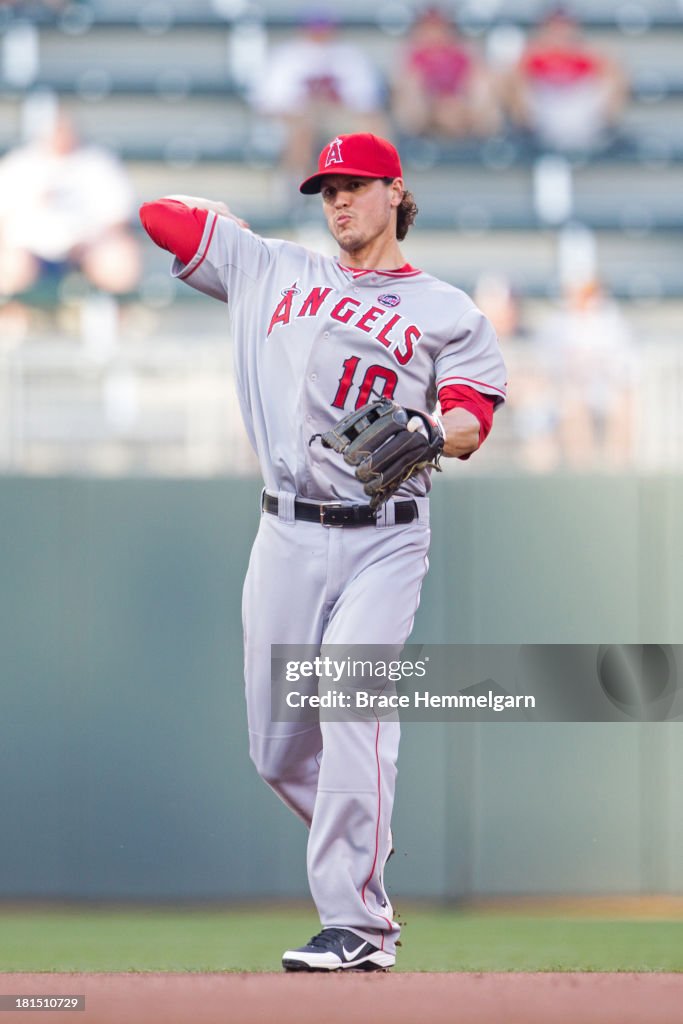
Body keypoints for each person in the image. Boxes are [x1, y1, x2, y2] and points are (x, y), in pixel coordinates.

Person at [139, 132, 506, 971]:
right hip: (283, 534)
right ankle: (363, 837)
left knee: (351, 707)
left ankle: (357, 923)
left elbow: (471, 422)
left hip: (383, 537)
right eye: (326, 188)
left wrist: (428, 433)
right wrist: (220, 217)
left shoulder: (447, 310)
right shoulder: (273, 267)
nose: (338, 200)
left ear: (395, 192)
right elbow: (158, 218)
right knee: (275, 750)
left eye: (355, 184)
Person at [0, 106, 141, 301]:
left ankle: (120, 313)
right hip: (30, 251)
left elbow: (119, 218)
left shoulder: (98, 164)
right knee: (8, 264)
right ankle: (14, 314)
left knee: (119, 259)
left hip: (86, 249)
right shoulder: (18, 165)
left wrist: (88, 241)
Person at [250, 12, 387, 189]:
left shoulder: (348, 55)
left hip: (337, 116)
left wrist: (330, 106)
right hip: (298, 117)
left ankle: (377, 185)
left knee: (374, 125)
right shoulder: (287, 55)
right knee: (302, 127)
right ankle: (296, 188)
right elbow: (268, 101)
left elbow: (366, 101)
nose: (320, 34)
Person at [504, 5, 628, 152]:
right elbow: (513, 78)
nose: (560, 30)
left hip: (580, 109)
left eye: (564, 25)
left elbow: (612, 72)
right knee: (514, 80)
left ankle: (606, 132)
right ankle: (527, 134)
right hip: (544, 110)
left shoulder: (586, 52)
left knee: (614, 76)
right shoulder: (533, 54)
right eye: (554, 26)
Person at [391, 5, 501, 139]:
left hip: (461, 105)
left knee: (484, 84)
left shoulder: (461, 52)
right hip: (430, 108)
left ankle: (491, 144)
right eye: (429, 28)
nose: (434, 33)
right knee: (410, 88)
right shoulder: (414, 55)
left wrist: (456, 102)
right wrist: (439, 104)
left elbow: (477, 81)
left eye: (438, 28)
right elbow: (407, 87)